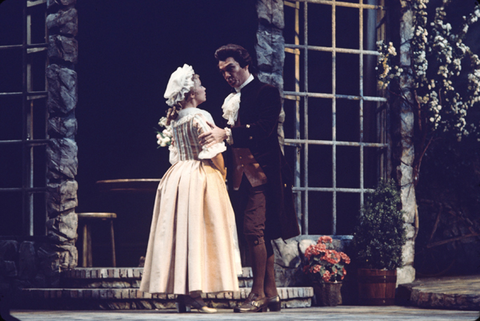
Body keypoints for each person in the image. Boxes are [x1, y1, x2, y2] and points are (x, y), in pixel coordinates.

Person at [199, 44, 300, 313]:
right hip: (241, 175)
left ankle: (257, 295)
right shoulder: (233, 97)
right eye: (222, 72)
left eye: (230, 68)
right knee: (260, 233)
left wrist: (227, 134)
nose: (227, 75)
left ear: (245, 64)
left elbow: (264, 130)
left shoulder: (266, 92)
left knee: (254, 231)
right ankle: (272, 294)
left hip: (263, 174)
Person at [139, 64, 242, 313]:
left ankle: (185, 294)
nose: (204, 87)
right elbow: (213, 151)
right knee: (199, 232)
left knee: (182, 234)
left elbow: (175, 155)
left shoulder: (175, 120)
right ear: (191, 94)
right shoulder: (200, 115)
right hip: (200, 174)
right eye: (200, 84)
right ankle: (194, 294)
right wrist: (223, 172)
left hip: (177, 176)